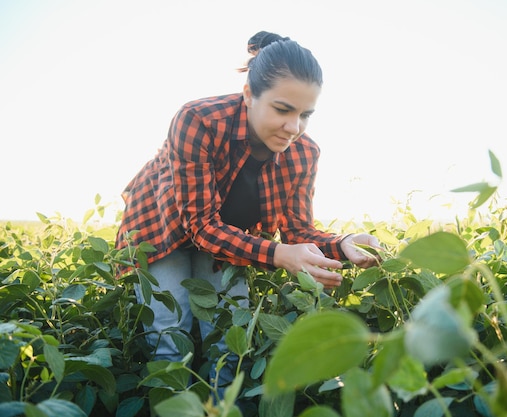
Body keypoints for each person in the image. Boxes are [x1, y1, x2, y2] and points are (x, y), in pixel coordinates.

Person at [115, 30, 380, 387]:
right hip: (165, 227)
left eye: (305, 115)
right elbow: (200, 225)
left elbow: (299, 233)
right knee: (169, 330)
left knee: (229, 336)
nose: (293, 128)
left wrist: (343, 243)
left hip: (231, 239)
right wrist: (279, 254)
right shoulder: (199, 120)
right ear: (249, 95)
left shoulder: (304, 153)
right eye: (282, 109)